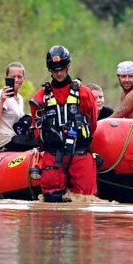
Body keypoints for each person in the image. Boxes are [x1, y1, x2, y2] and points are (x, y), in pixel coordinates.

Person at [30, 45, 99, 203]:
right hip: (52, 156)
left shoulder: (84, 93)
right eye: (54, 69)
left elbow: (92, 123)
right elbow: (37, 130)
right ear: (49, 69)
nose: (59, 73)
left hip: (80, 153)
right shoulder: (40, 97)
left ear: (68, 66)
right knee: (51, 203)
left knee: (85, 201)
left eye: (61, 68)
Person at [0, 62, 34, 152]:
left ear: (23, 79)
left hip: (15, 139)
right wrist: (2, 100)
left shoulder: (20, 98)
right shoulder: (0, 94)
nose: (16, 80)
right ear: (6, 78)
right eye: (13, 77)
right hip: (2, 142)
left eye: (19, 77)